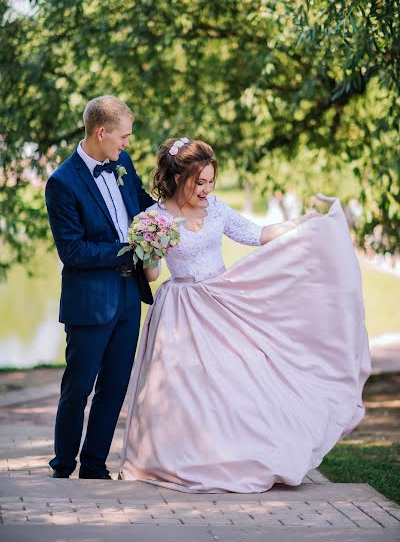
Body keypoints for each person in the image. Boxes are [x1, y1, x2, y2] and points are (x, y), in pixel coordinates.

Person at [120, 137, 371, 493]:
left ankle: (240, 453)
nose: (207, 189)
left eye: (210, 181)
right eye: (200, 182)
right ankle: (179, 458)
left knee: (235, 379)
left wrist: (304, 224)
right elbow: (152, 275)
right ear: (179, 179)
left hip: (221, 299)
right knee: (183, 387)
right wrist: (149, 247)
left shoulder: (217, 210)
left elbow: (257, 235)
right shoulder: (154, 219)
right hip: (180, 308)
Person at [45, 95, 154, 479]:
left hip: (129, 298)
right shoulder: (61, 183)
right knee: (78, 389)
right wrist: (129, 250)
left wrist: (171, 216)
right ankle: (63, 467)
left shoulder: (122, 163)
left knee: (115, 387)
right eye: (123, 137)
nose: (127, 144)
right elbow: (73, 251)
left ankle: (94, 468)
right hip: (89, 303)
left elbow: (143, 206)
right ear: (102, 132)